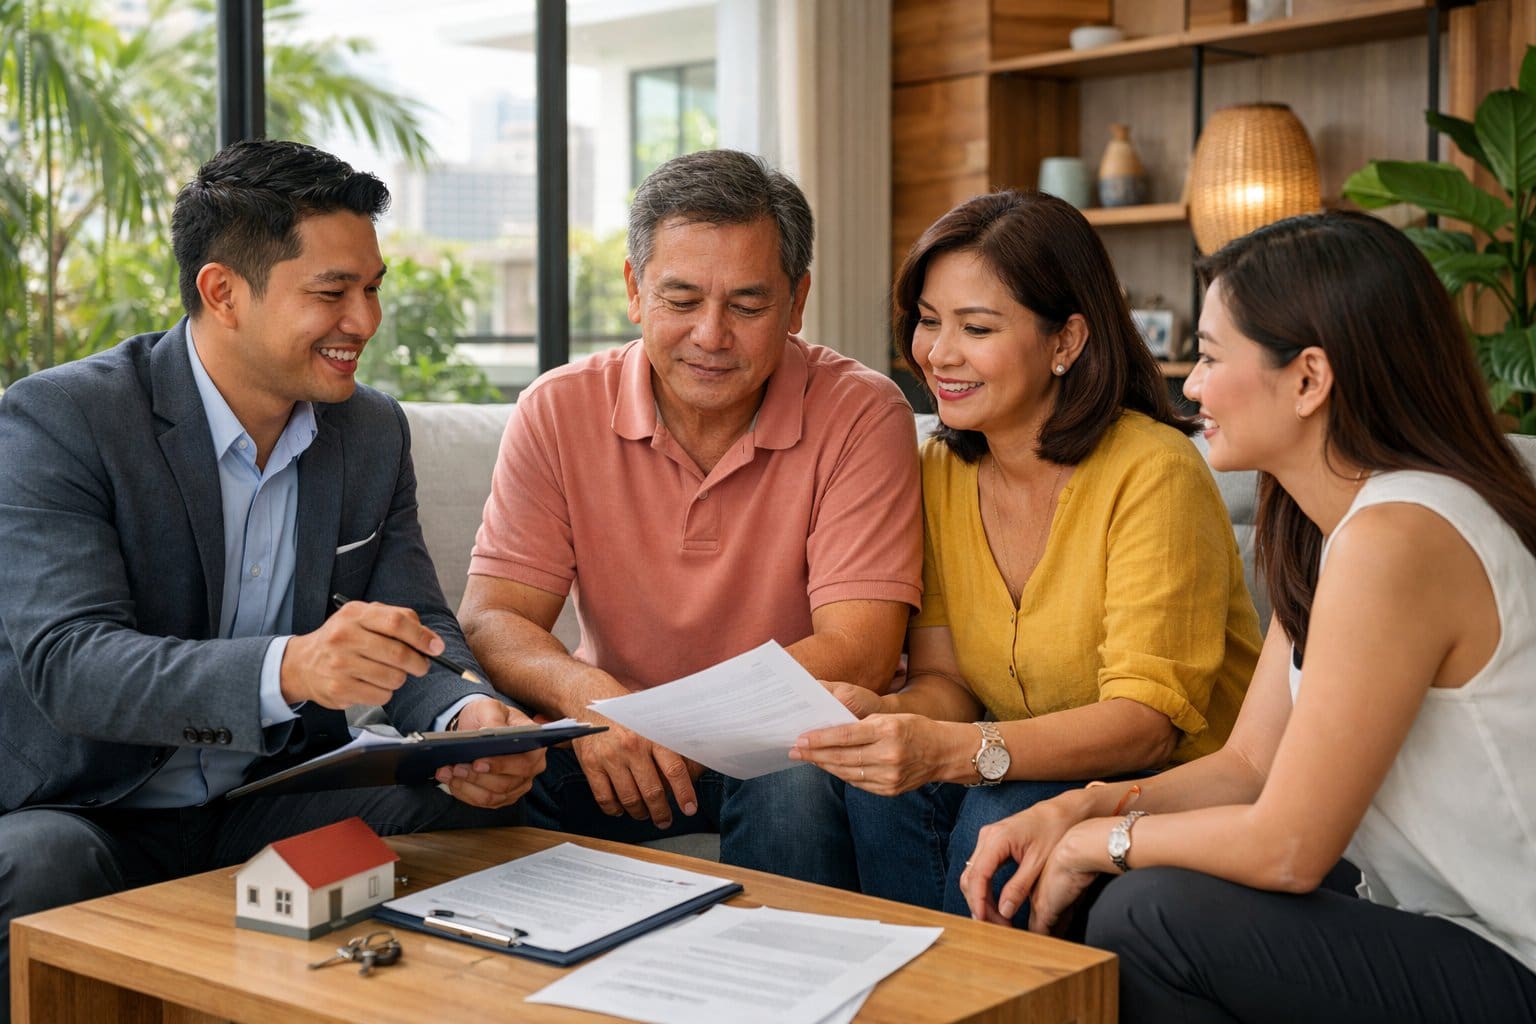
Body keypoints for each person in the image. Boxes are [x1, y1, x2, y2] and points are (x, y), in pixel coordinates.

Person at [0, 139, 545, 1020]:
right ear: (224, 293)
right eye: (332, 292)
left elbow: (416, 621)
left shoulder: (367, 433)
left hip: (261, 800)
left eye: (371, 287)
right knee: (43, 864)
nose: (364, 320)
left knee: (484, 808)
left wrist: (464, 719)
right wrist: (289, 668)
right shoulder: (61, 420)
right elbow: (71, 662)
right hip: (84, 804)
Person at [961, 210, 1536, 1021]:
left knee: (1146, 910)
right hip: (1438, 927)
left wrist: (1105, 842)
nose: (1189, 385)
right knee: (1121, 889)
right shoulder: (1331, 525)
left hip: (1514, 957)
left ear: (1308, 378)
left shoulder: (1400, 540)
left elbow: (1291, 848)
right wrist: (1079, 806)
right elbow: (1249, 768)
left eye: (1209, 355)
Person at [459, 148, 922, 888]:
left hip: (777, 742)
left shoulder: (862, 413)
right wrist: (597, 702)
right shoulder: (557, 408)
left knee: (797, 776)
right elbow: (492, 619)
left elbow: (860, 649)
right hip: (615, 738)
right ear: (634, 291)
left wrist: (668, 722)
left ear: (797, 302)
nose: (711, 335)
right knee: (491, 767)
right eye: (680, 301)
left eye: (747, 305)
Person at [792, 189, 1260, 919]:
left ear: (1066, 341)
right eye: (927, 321)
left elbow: (1144, 721)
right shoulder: (938, 472)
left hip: (1166, 788)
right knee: (878, 787)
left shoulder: (1153, 470)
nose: (939, 354)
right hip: (1015, 772)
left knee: (997, 815)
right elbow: (948, 680)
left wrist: (953, 752)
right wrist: (888, 722)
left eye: (976, 327)